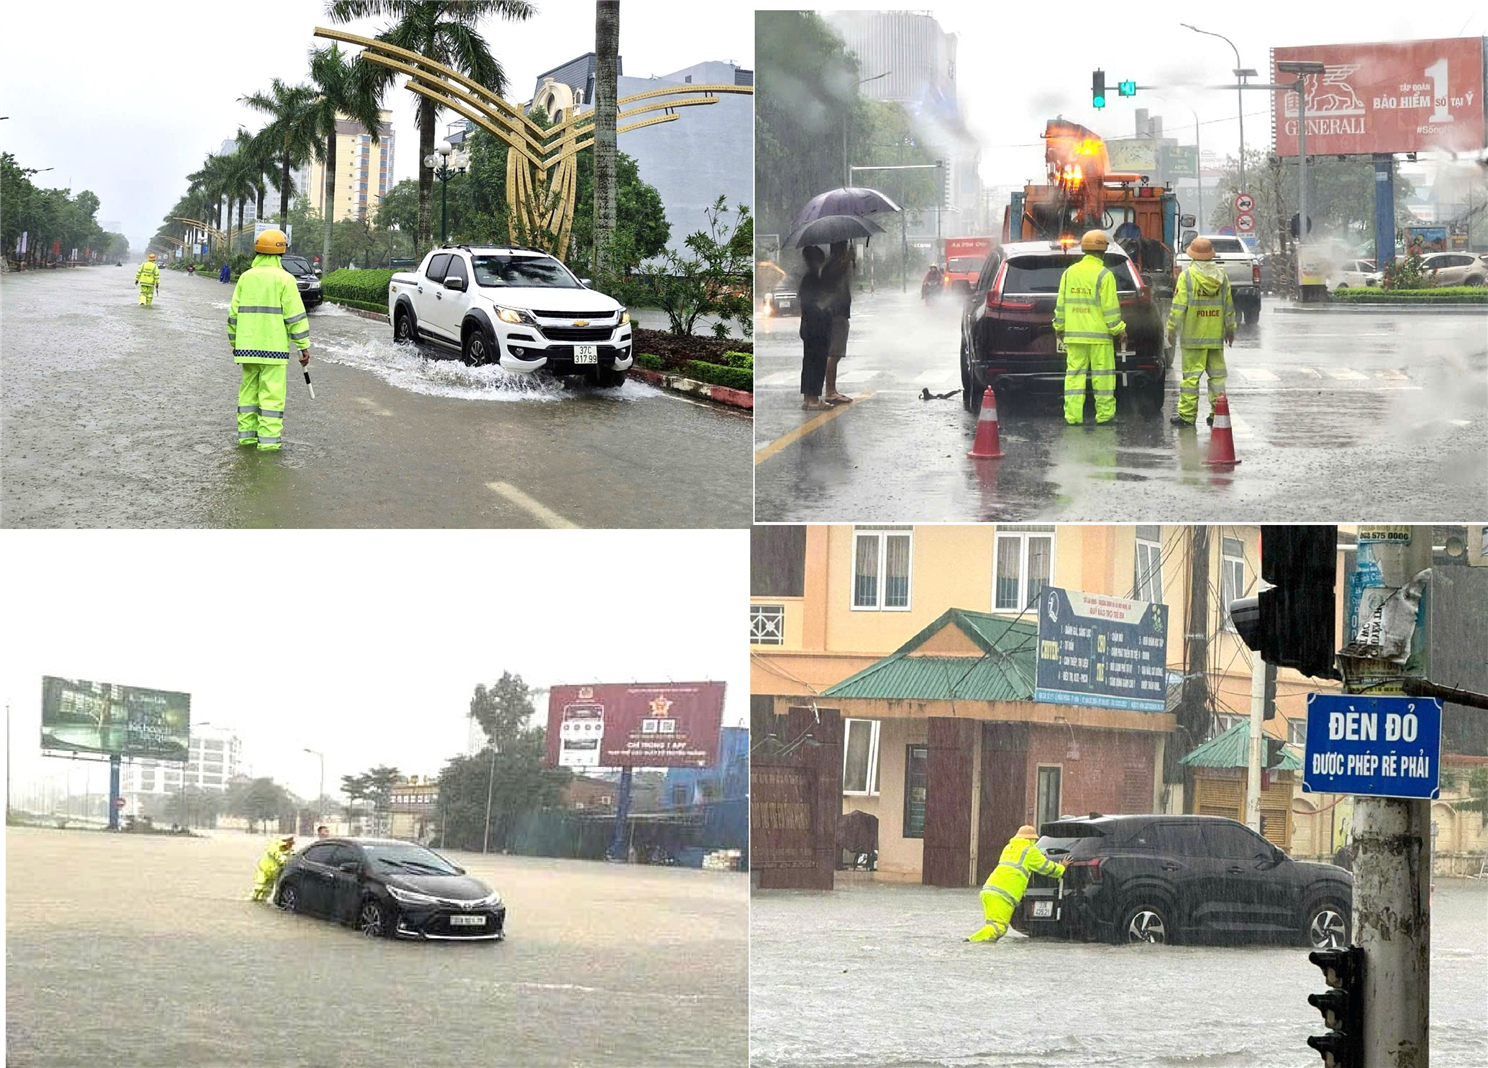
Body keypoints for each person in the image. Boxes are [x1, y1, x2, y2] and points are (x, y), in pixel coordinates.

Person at [227, 228, 310, 451]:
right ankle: (268, 447)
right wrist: (303, 347)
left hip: (247, 350)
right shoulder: (285, 279)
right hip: (274, 352)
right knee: (271, 398)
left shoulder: (246, 278)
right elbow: (295, 317)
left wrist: (235, 344)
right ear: (282, 252)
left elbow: (233, 315)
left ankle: (246, 440)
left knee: (248, 394)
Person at [1053, 230, 1126, 426]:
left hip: (1074, 337)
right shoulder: (1105, 275)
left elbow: (1061, 304)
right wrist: (1119, 330)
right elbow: (1110, 309)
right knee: (1103, 378)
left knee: (1074, 377)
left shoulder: (1069, 274)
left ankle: (1073, 417)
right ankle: (1104, 416)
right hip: (1100, 337)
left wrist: (1059, 327)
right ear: (1103, 251)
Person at [1166, 236, 1236, 428]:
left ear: (1193, 256)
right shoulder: (1221, 277)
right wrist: (1230, 330)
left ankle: (1187, 417)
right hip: (1215, 338)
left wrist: (1171, 329)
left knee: (1191, 378)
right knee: (1217, 377)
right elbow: (1228, 307)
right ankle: (1217, 413)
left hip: (1192, 337)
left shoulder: (1187, 277)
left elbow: (1179, 306)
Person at [967, 824, 1066, 943]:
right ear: (1031, 839)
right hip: (1003, 895)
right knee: (999, 928)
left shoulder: (1008, 848)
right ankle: (971, 941)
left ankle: (979, 943)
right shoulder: (1030, 851)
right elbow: (1047, 868)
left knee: (992, 926)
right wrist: (1062, 867)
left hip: (989, 890)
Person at [797, 245, 832, 410]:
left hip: (807, 326)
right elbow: (817, 304)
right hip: (817, 327)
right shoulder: (814, 279)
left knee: (808, 361)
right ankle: (814, 399)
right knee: (817, 362)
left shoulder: (806, 278)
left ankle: (807, 398)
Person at [820, 241, 854, 405]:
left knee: (836, 353)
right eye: (846, 246)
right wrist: (847, 261)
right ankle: (830, 391)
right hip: (836, 314)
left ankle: (831, 389)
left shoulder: (834, 265)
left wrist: (848, 262)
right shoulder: (833, 266)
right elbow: (833, 286)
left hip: (838, 313)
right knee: (834, 353)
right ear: (841, 248)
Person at [250, 836, 295, 901]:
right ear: (286, 842)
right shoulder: (275, 846)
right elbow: (278, 856)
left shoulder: (289, 850)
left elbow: (289, 858)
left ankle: (263, 899)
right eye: (290, 843)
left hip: (274, 872)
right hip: (265, 869)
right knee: (260, 884)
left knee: (268, 888)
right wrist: (284, 859)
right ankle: (254, 897)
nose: (291, 845)